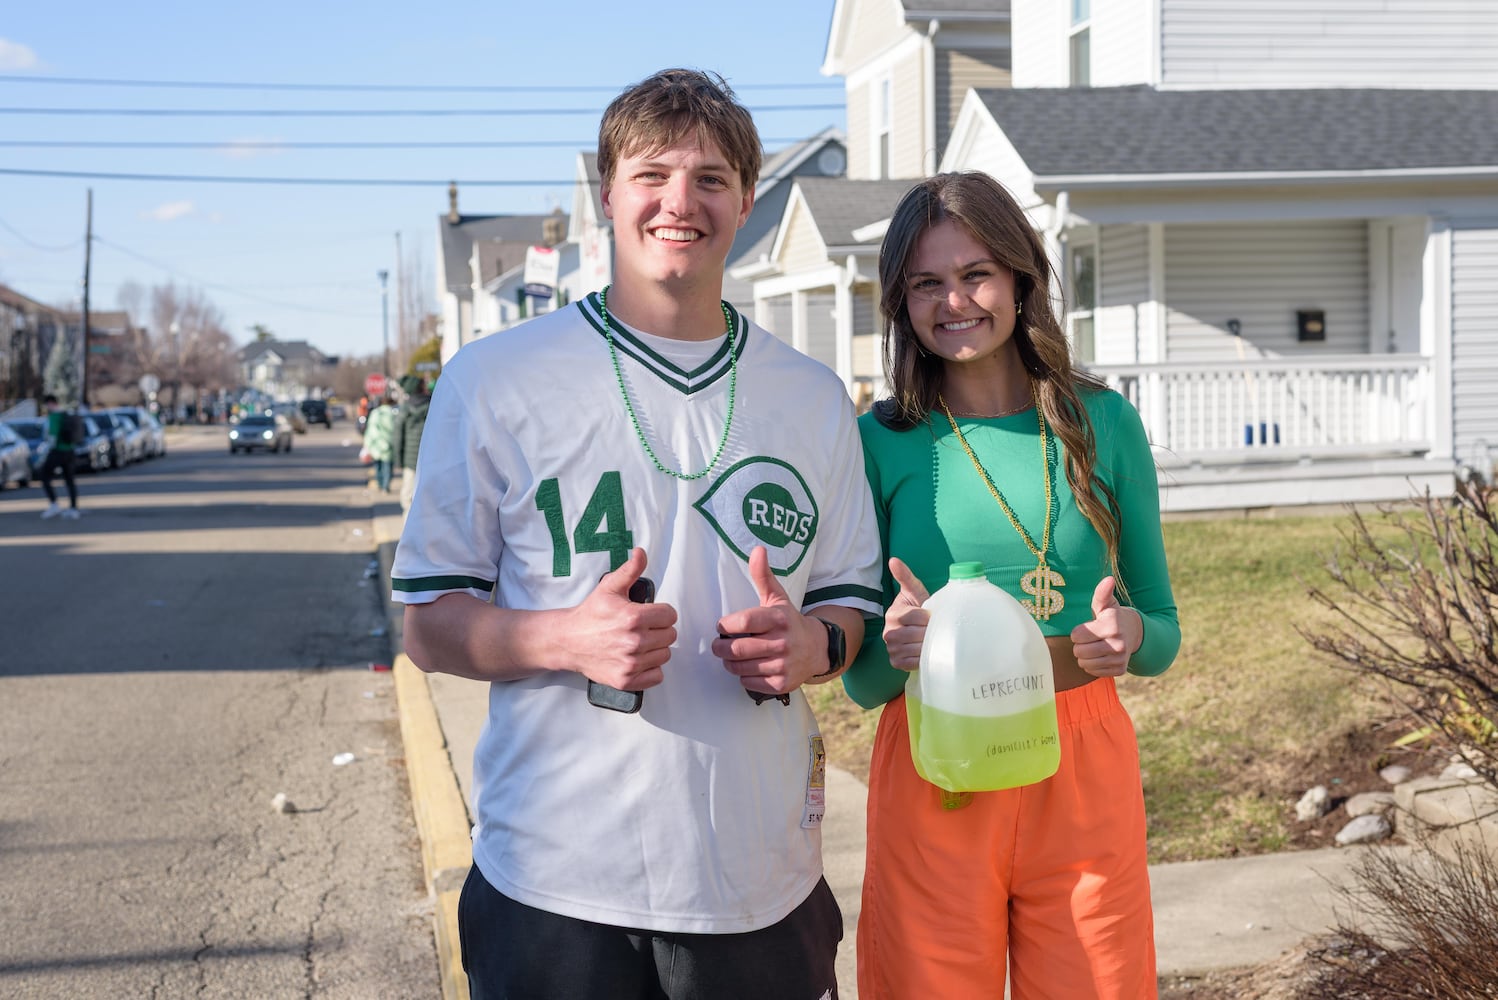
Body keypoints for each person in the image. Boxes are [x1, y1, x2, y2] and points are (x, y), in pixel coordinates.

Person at [391, 68, 883, 1000]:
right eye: (652, 173)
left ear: (745, 201)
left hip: (759, 882)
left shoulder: (812, 394)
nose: (679, 201)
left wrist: (813, 643)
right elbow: (427, 623)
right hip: (554, 884)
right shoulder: (494, 380)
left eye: (710, 178)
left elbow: (849, 602)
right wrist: (563, 637)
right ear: (607, 195)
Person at [845, 172, 1181, 999]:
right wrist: (896, 647)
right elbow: (861, 680)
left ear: (1021, 278)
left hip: (1083, 756)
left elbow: (1163, 625)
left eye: (975, 274)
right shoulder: (880, 441)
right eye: (926, 283)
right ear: (901, 303)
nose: (954, 301)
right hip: (937, 760)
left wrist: (1129, 637)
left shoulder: (1104, 422)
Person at [39, 394, 81, 520]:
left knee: (44, 475)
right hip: (70, 451)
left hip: (57, 451)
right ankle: (73, 508)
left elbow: (52, 437)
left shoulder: (54, 416)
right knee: (69, 480)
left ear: (50, 403)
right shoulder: (66, 414)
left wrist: (43, 452)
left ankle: (54, 504)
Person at [391, 375, 430, 512]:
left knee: (407, 499)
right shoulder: (433, 405)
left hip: (411, 460)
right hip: (432, 459)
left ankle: (410, 530)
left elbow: (397, 435)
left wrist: (398, 460)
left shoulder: (405, 409)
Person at [362, 396, 396, 493]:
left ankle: (380, 484)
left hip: (376, 445)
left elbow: (370, 430)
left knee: (378, 466)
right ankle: (386, 486)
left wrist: (367, 444)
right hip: (389, 444)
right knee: (387, 467)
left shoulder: (375, 413)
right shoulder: (393, 413)